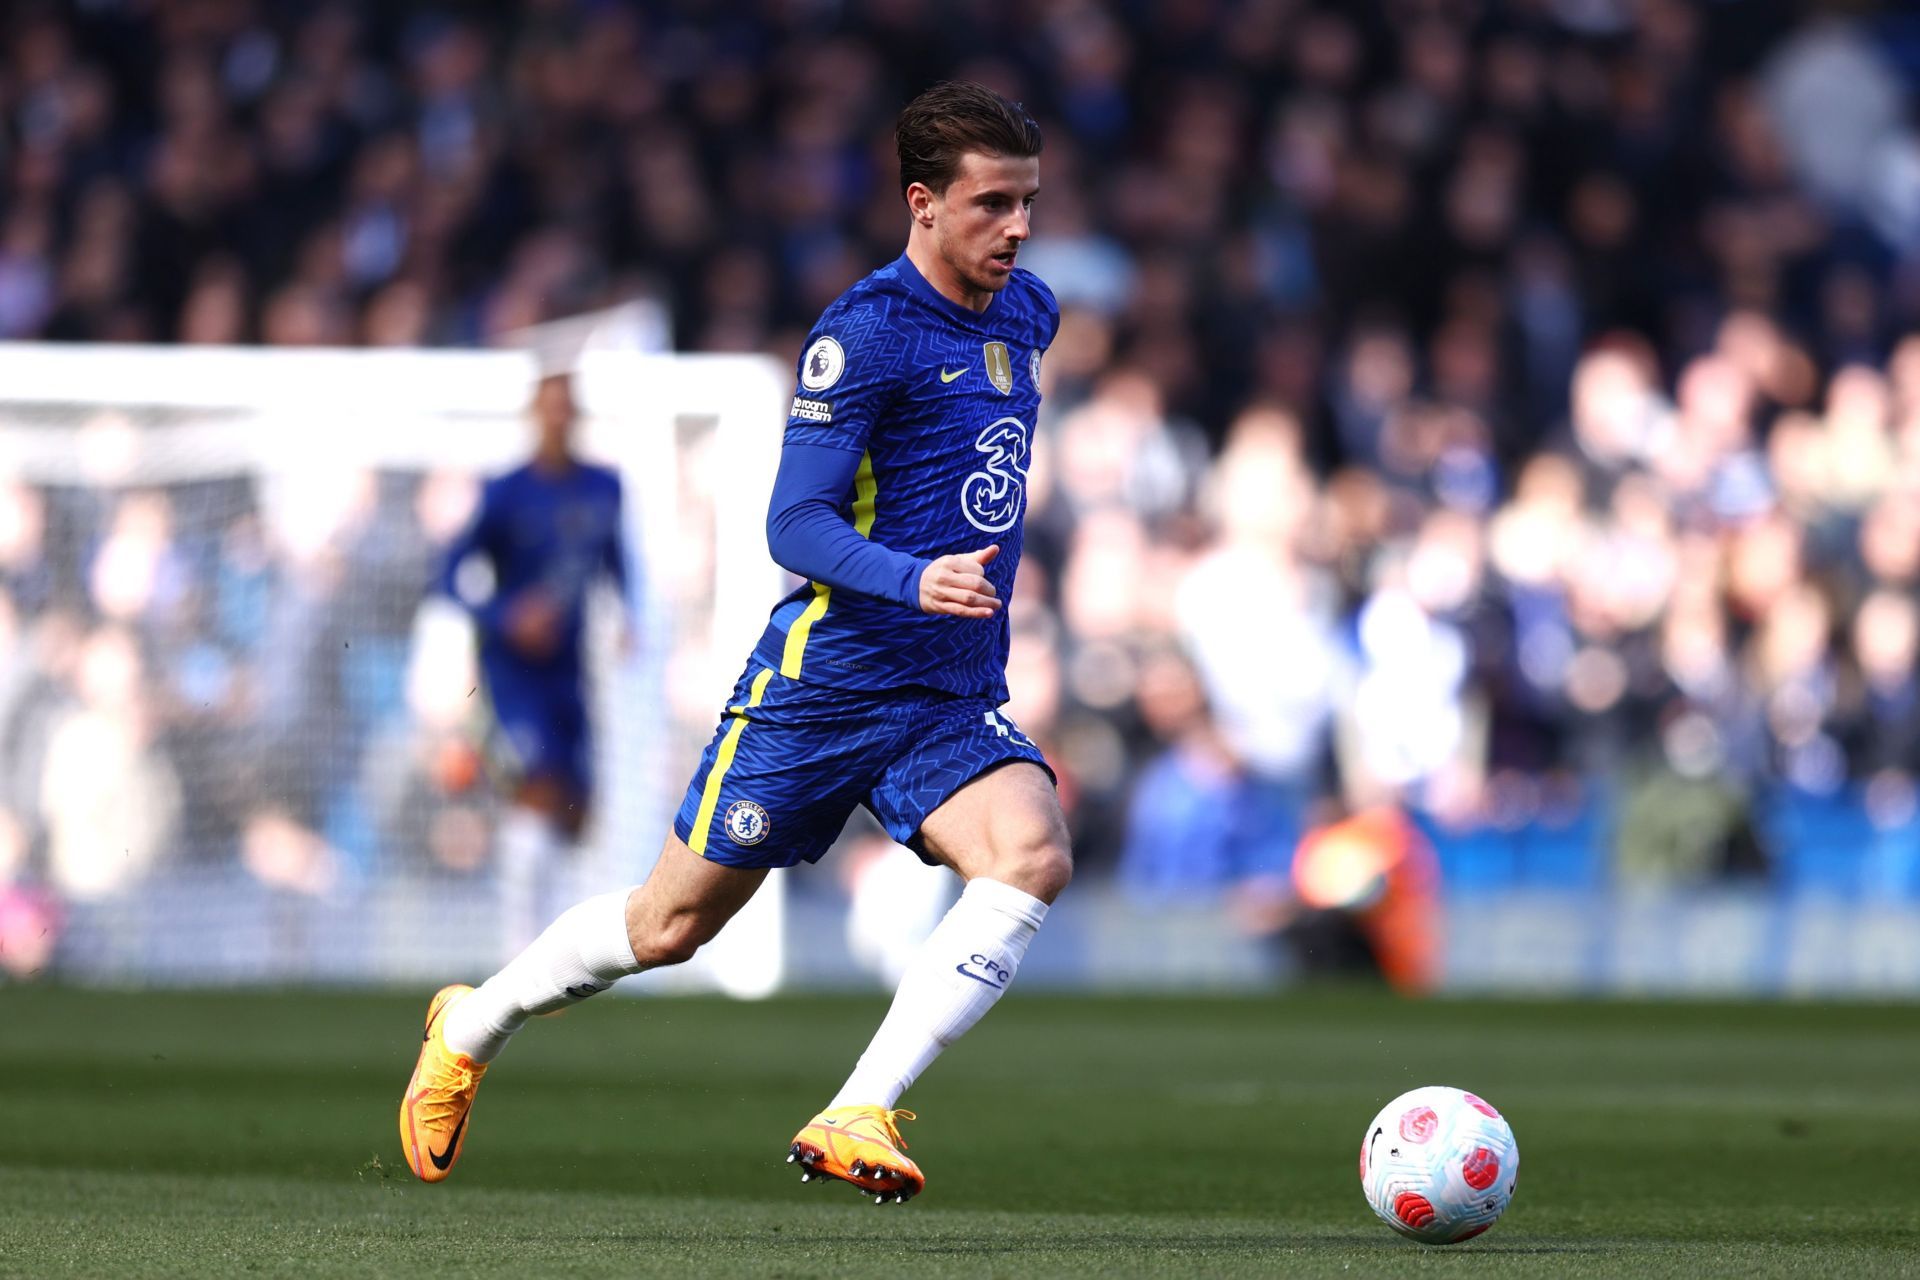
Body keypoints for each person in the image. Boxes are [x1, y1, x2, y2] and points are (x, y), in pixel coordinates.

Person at [400, 82, 1070, 1205]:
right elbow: (793, 525)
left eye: (1028, 203)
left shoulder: (1029, 312)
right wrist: (916, 574)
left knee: (1033, 850)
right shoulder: (863, 335)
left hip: (945, 693)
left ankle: (860, 1105)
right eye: (992, 203)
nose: (1018, 228)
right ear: (921, 202)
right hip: (823, 687)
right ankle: (469, 1025)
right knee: (668, 927)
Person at [437, 372, 635, 956]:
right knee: (537, 788)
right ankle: (521, 952)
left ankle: (556, 947)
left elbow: (613, 558)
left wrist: (626, 612)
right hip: (512, 674)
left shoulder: (603, 487)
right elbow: (449, 574)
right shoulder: (505, 493)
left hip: (569, 670)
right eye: (547, 410)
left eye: (566, 410)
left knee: (576, 813)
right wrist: (507, 616)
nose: (557, 420)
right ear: (533, 416)